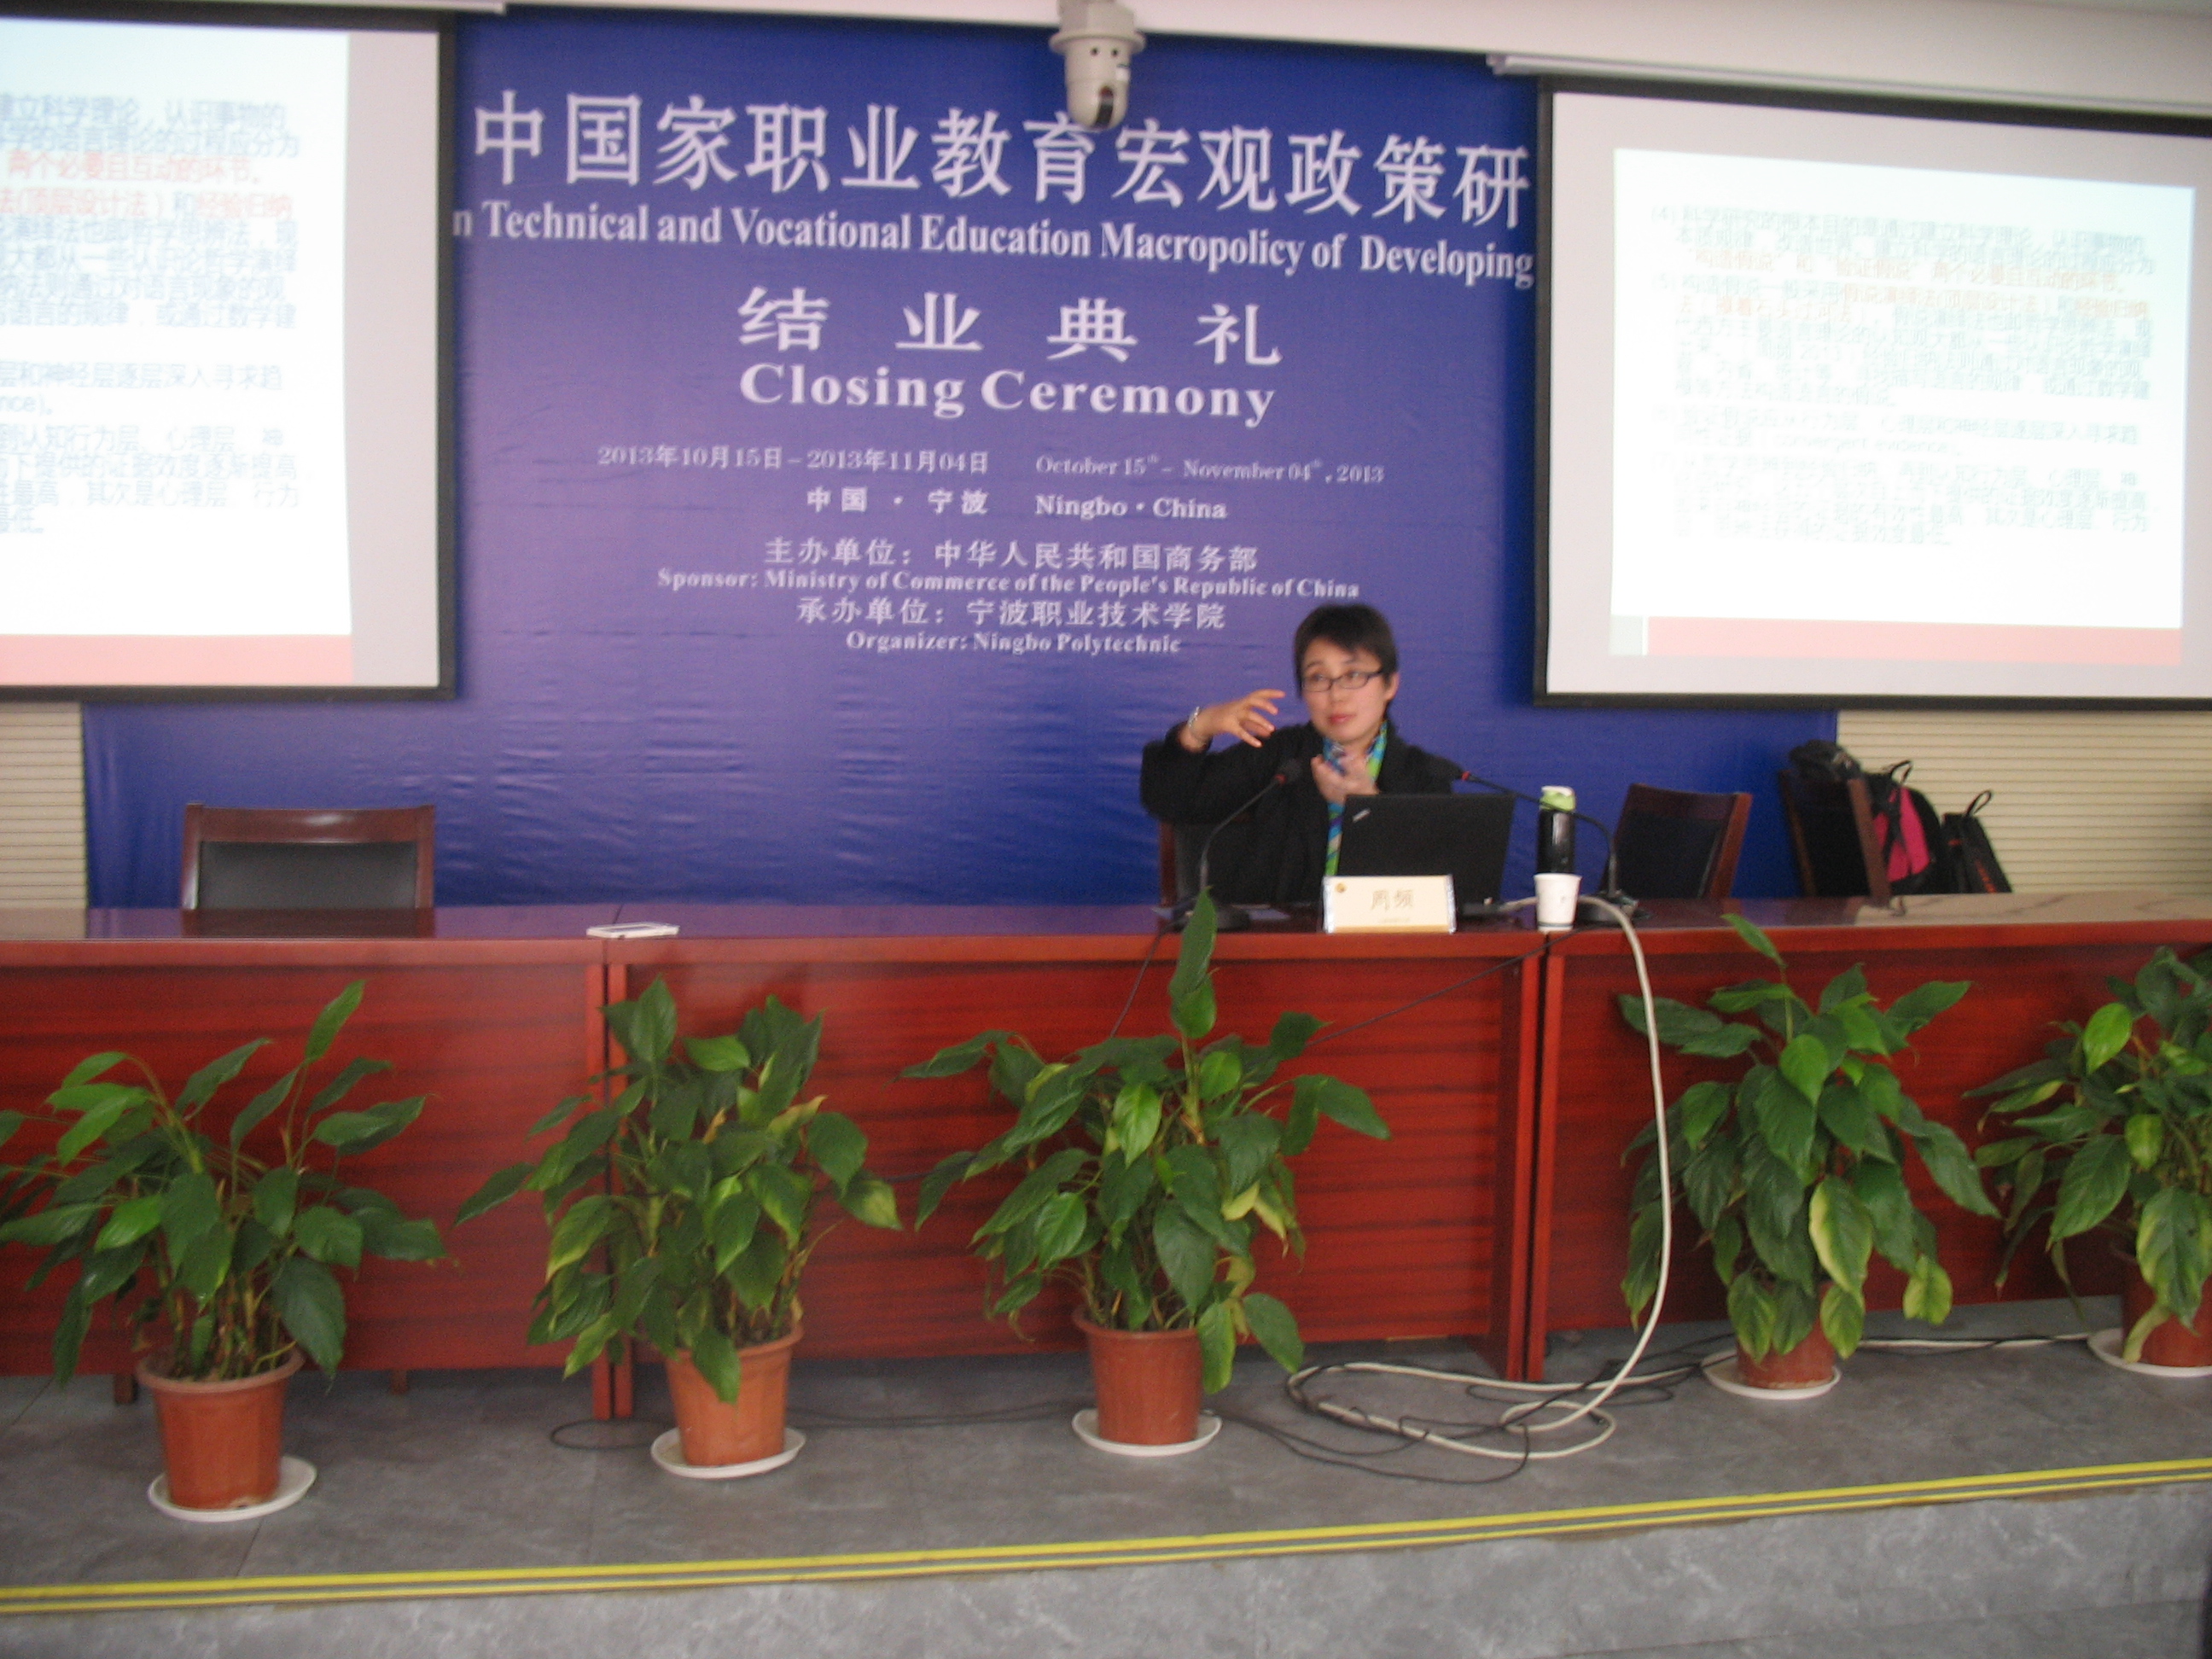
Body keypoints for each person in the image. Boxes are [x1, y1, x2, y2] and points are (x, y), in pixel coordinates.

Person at [1141, 603, 1457, 906]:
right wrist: (1201, 727)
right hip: (1283, 939)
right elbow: (1169, 799)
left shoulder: (1425, 776)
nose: (1336, 695)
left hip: (1384, 942)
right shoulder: (1282, 758)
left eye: (1353, 676)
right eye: (1318, 678)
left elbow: (1440, 893)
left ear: (1390, 685)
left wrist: (1370, 809)